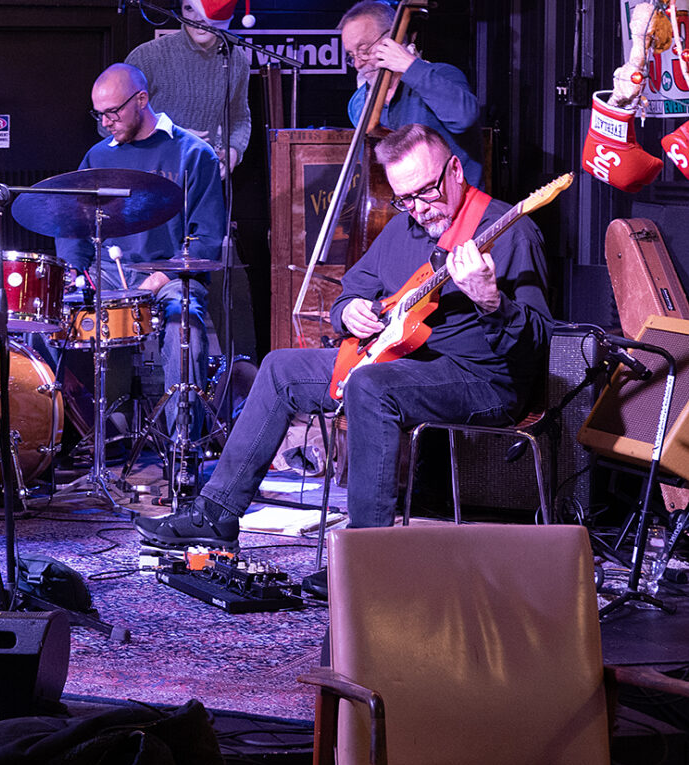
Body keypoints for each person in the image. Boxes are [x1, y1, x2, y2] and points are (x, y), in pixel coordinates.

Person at [136, 125, 551, 592]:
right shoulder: (403, 228)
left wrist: (492, 301)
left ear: (455, 170)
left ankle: (366, 558)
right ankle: (216, 514)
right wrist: (346, 312)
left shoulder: (512, 231)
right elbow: (352, 290)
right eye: (405, 198)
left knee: (371, 387)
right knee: (279, 368)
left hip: (484, 379)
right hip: (406, 363)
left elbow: (537, 345)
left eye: (427, 191)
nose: (419, 208)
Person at [54, 62, 227, 445]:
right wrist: (78, 272)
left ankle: (183, 449)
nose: (105, 124)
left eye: (113, 113)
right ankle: (59, 442)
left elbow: (207, 237)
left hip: (171, 276)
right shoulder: (98, 156)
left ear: (142, 100)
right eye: (99, 115)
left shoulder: (192, 155)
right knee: (42, 318)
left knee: (186, 324)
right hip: (109, 272)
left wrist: (160, 278)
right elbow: (72, 225)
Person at [340, 0, 484, 185]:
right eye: (352, 56)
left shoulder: (442, 75)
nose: (358, 64)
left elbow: (465, 117)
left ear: (393, 38)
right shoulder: (358, 103)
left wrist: (410, 66)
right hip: (396, 210)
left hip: (457, 209)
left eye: (364, 50)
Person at [125, 0, 252, 172]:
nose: (198, 19)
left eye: (207, 8)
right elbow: (108, 124)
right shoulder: (148, 56)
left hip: (203, 174)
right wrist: (168, 133)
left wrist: (233, 151)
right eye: (189, 8)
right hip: (149, 174)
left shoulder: (236, 60)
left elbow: (239, 117)